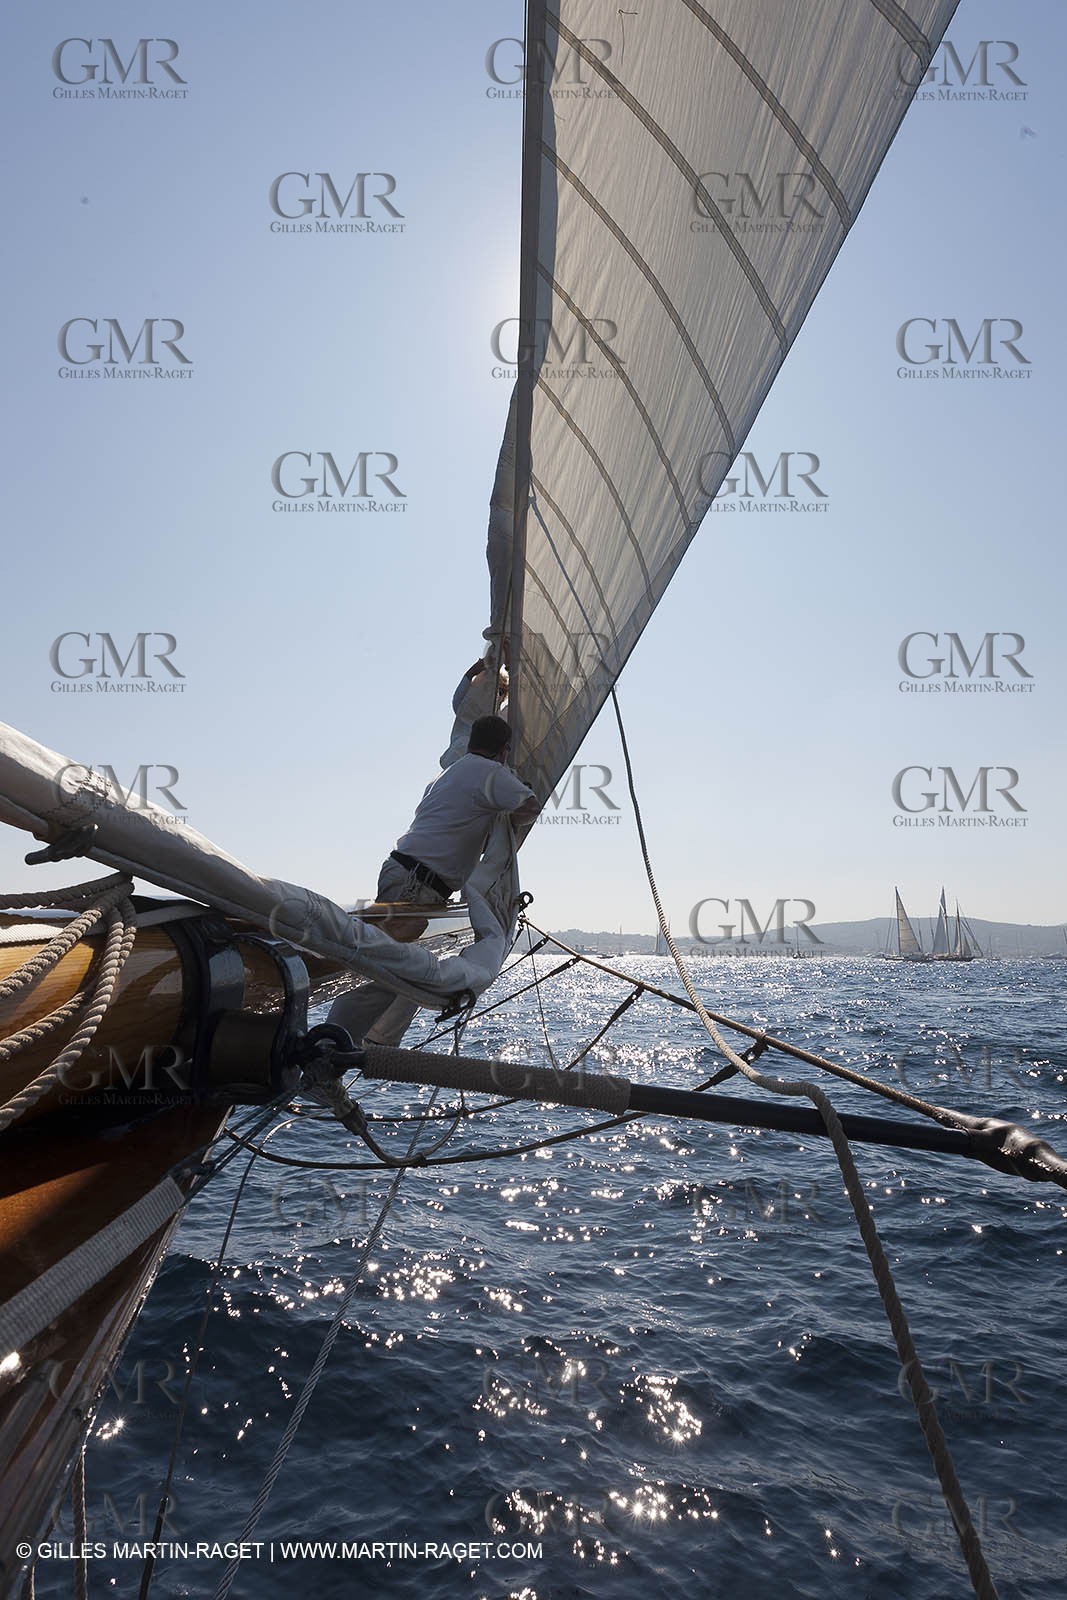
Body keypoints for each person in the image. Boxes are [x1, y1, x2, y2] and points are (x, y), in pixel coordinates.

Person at [326, 714, 538, 1049]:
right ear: (505, 751)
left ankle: (365, 1049)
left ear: (471, 743)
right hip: (416, 883)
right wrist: (505, 811)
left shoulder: (451, 772)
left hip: (409, 875)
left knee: (402, 968)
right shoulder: (492, 773)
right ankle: (331, 1049)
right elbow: (530, 806)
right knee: (382, 973)